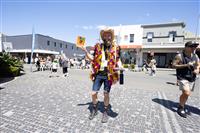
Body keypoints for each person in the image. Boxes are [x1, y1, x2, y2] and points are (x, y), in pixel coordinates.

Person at [80, 29, 122, 123]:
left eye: (109, 35)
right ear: (103, 37)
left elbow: (118, 59)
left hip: (109, 74)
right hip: (98, 74)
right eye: (105, 36)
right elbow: (93, 59)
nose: (107, 37)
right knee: (93, 93)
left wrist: (120, 66)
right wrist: (85, 51)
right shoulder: (98, 47)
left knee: (106, 93)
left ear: (111, 37)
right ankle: (95, 109)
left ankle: (106, 112)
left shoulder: (116, 48)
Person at [172, 41, 199, 118]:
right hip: (182, 77)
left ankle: (182, 105)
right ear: (186, 47)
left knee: (187, 94)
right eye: (192, 46)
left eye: (195, 46)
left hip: (192, 77)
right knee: (186, 92)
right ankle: (181, 107)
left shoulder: (195, 56)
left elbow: (198, 64)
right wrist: (186, 65)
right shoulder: (179, 56)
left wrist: (197, 70)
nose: (194, 48)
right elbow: (173, 65)